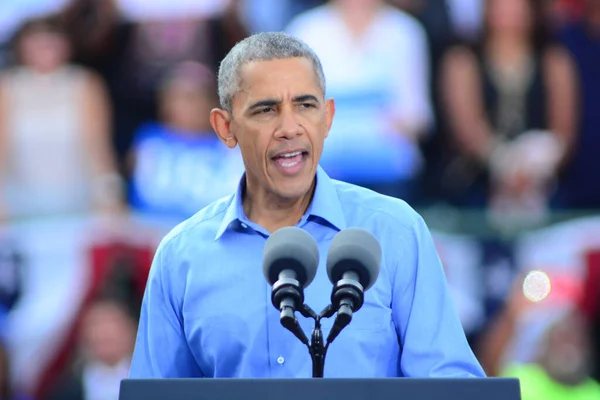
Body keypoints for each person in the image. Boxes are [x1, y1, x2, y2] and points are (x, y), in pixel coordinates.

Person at [129, 32, 484, 378]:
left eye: (305, 105)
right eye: (266, 110)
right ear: (225, 128)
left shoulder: (395, 230)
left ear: (327, 118)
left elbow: (452, 384)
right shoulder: (180, 257)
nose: (289, 127)